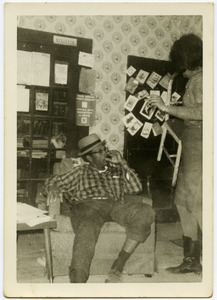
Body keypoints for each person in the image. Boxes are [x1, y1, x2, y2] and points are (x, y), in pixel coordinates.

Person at [45, 133, 155, 283]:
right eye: (100, 151)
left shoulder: (116, 170)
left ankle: (118, 266)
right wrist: (54, 188)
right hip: (89, 206)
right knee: (87, 228)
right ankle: (78, 281)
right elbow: (53, 180)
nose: (105, 153)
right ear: (89, 157)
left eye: (104, 149)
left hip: (116, 205)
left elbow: (136, 187)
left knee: (146, 212)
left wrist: (123, 164)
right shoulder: (81, 171)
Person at [149, 33, 203, 274]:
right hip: (192, 144)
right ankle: (191, 260)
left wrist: (166, 107)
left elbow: (203, 112)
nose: (180, 70)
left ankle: (203, 261)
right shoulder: (196, 79)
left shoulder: (202, 79)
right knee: (182, 202)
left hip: (201, 144)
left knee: (197, 204)